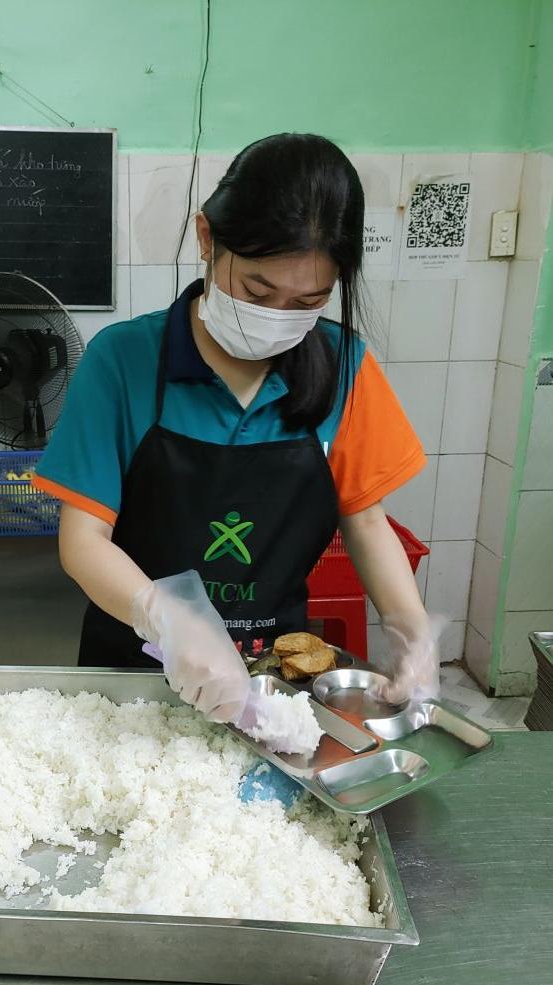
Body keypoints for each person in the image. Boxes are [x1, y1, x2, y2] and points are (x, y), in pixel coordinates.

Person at [33, 133, 438, 722]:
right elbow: (82, 541)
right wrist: (167, 618)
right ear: (207, 238)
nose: (276, 318)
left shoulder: (346, 365)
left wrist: (411, 631)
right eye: (256, 289)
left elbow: (367, 519)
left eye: (308, 301)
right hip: (133, 677)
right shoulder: (122, 360)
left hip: (273, 683)